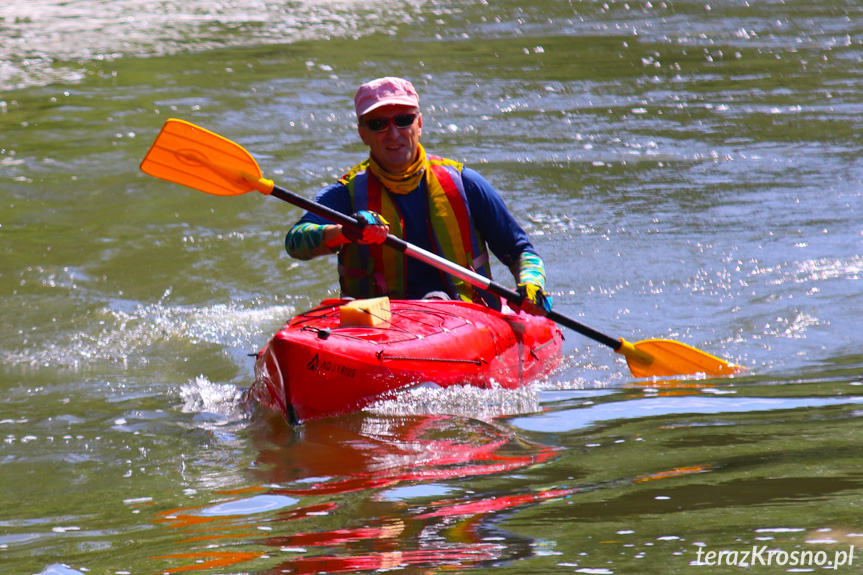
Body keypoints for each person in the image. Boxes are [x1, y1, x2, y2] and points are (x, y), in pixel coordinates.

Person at [285, 76, 552, 315]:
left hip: (464, 318)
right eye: (378, 124)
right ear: (362, 133)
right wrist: (345, 231)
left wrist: (531, 284)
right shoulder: (346, 193)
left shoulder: (466, 184)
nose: (393, 133)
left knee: (435, 300)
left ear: (419, 124)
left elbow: (522, 252)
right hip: (376, 322)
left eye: (403, 120)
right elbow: (296, 242)